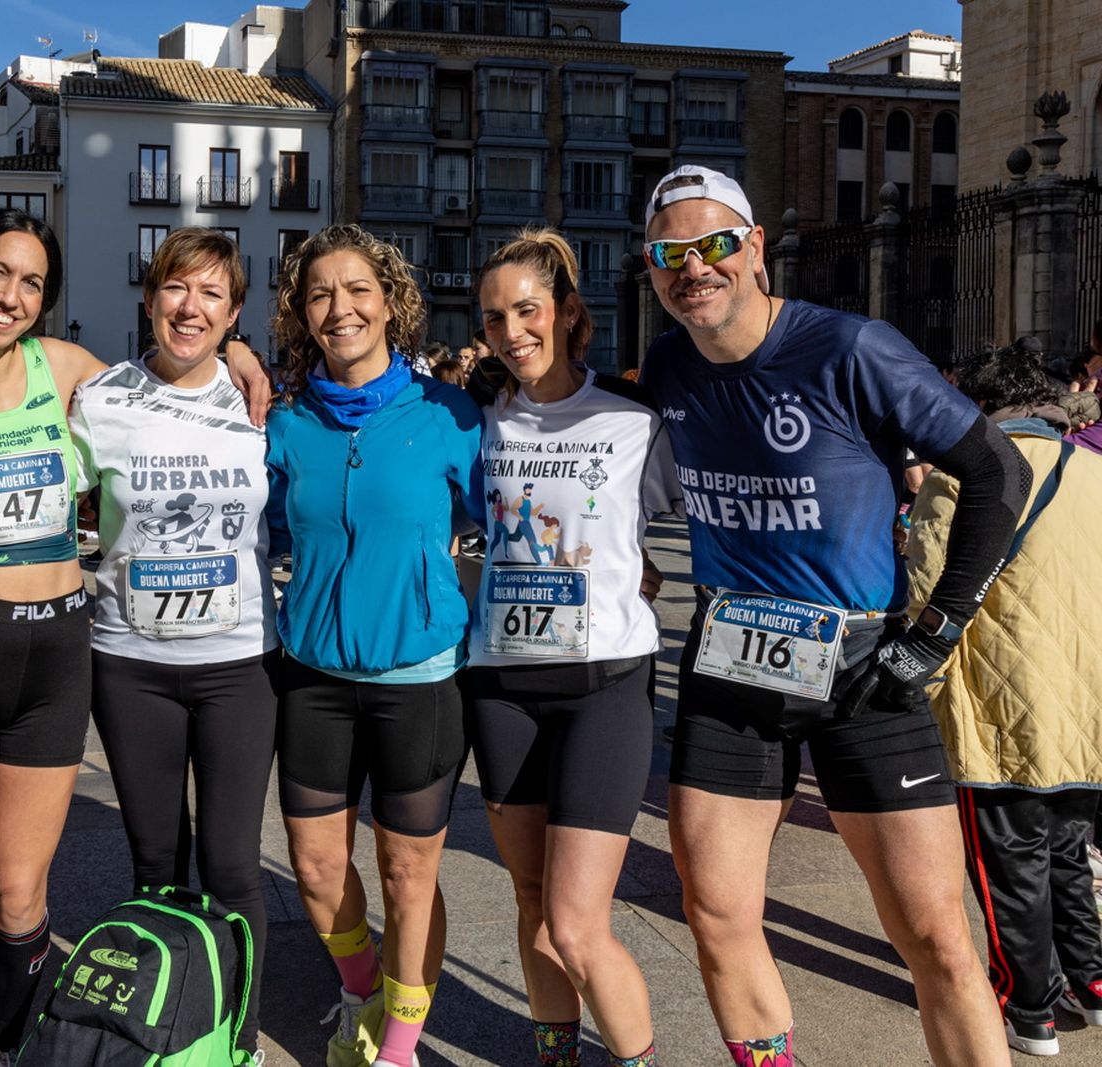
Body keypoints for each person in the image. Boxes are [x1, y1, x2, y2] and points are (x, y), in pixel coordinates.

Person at [639, 165, 1027, 1066]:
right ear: (651, 268)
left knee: (935, 940)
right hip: (731, 667)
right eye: (669, 253)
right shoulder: (666, 366)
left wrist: (936, 630)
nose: (693, 267)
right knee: (717, 914)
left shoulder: (850, 347)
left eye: (713, 245)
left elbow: (999, 471)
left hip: (864, 670)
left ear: (755, 249)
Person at [0, 217, 272, 1066]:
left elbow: (175, 370)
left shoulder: (66, 372)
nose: (9, 295)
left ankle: (24, 1050)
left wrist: (238, 354)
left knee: (20, 892)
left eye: (29, 283)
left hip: (59, 647)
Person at [266, 223, 482, 1067]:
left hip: (420, 680)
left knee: (406, 877)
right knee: (318, 868)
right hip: (313, 674)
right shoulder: (286, 423)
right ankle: (360, 989)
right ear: (300, 315)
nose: (339, 307)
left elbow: (496, 514)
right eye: (319, 293)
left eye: (357, 289)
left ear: (391, 303)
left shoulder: (447, 414)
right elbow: (268, 527)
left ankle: (396, 1047)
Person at [467, 228, 680, 1067]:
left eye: (527, 310)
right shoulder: (482, 419)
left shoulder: (632, 420)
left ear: (564, 313)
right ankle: (555, 1056)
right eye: (493, 318)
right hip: (502, 686)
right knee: (529, 897)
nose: (511, 331)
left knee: (578, 923)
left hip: (605, 687)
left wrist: (646, 567)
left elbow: (683, 514)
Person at [71, 227, 280, 1060]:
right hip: (132, 664)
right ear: (149, 297)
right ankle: (168, 1024)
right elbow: (53, 510)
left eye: (212, 295)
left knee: (232, 867)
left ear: (234, 313)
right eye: (174, 289)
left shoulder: (263, 402)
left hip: (239, 666)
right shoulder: (102, 400)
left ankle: (238, 1035)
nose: (190, 308)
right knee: (155, 864)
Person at [908, 342, 1102, 1055]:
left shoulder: (962, 476)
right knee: (1067, 848)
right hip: (1088, 703)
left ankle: (1029, 1009)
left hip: (998, 702)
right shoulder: (1095, 472)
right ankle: (1093, 980)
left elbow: (926, 593)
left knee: (1006, 861)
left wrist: (916, 687)